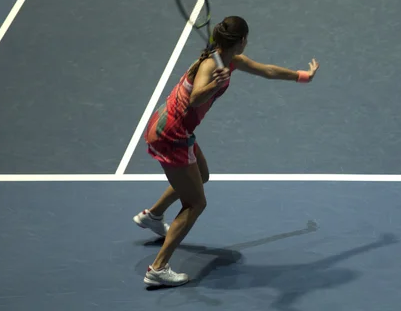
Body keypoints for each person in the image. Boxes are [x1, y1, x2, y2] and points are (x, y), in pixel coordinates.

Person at [132, 16, 320, 287]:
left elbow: (267, 70)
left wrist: (303, 76)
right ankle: (158, 269)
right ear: (241, 41)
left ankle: (153, 216)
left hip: (174, 128)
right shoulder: (211, 65)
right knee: (196, 203)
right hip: (171, 134)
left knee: (202, 174)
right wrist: (215, 84)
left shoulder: (227, 59)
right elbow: (196, 98)